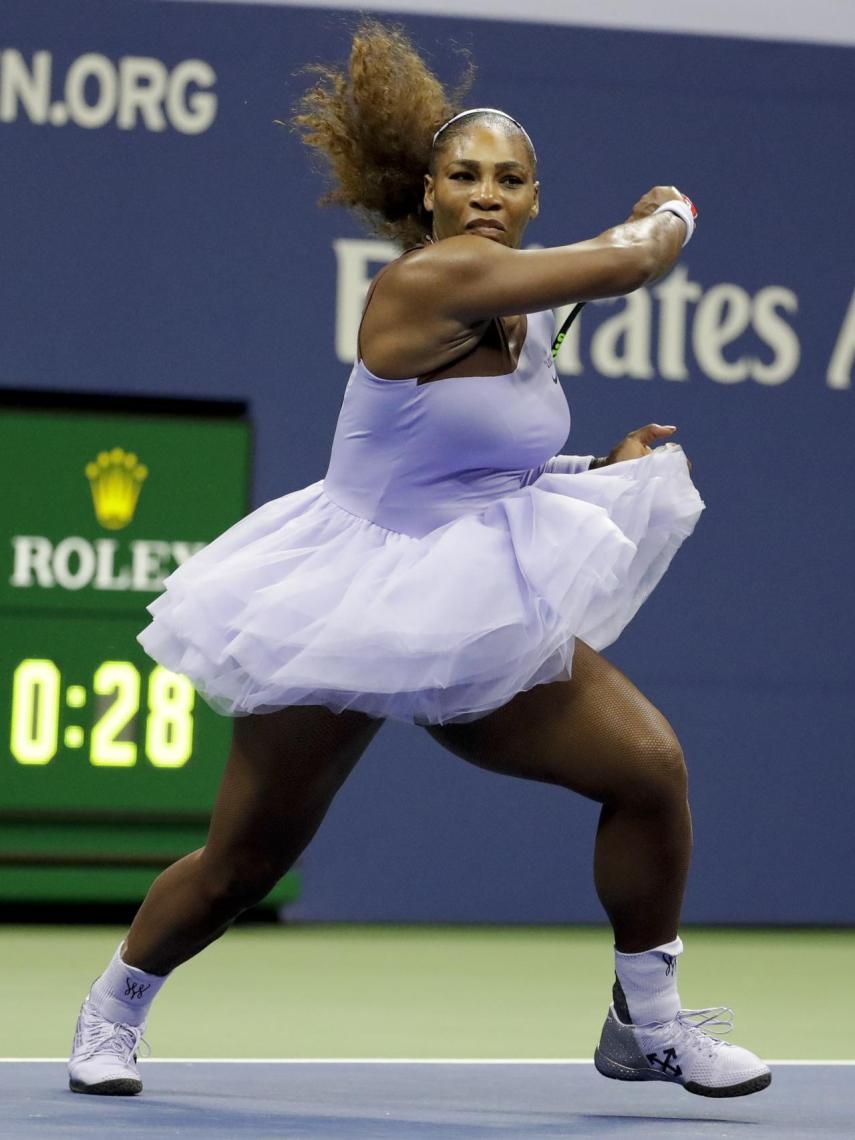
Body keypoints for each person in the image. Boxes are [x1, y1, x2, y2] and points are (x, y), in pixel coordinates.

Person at [68, 20, 770, 1100]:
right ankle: (113, 1011)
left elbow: (487, 463)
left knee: (650, 771)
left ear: (532, 199)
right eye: (466, 175)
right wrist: (669, 211)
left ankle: (651, 1022)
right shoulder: (419, 290)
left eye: (511, 178)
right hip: (345, 597)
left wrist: (599, 462)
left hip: (471, 601)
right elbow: (635, 261)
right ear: (431, 195)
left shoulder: (530, 309)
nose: (488, 193)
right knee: (244, 865)